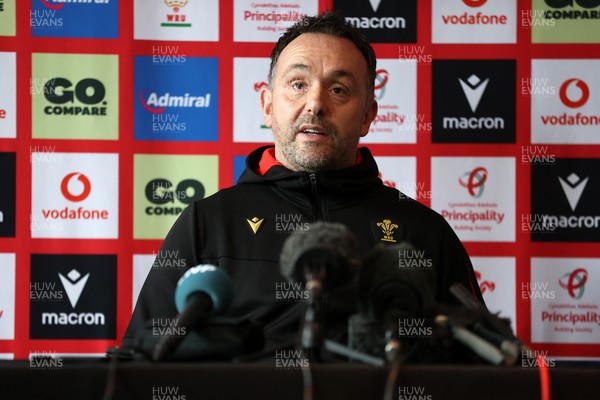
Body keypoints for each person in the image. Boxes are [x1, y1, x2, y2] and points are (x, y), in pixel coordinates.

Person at [123, 12, 483, 358]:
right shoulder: (205, 222)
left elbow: (479, 367)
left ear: (368, 116)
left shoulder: (423, 230)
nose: (315, 103)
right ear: (267, 106)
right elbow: (143, 358)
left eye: (339, 89)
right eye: (298, 84)